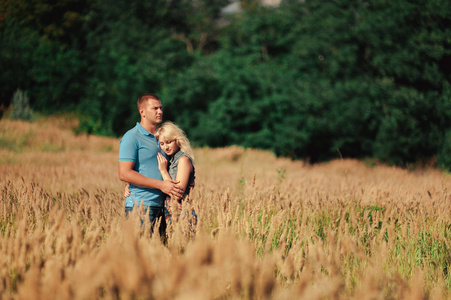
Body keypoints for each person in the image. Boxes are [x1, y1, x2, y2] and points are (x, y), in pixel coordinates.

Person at [118, 94, 184, 238]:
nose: (159, 111)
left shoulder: (162, 138)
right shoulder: (131, 137)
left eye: (160, 108)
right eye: (155, 108)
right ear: (142, 112)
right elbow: (124, 173)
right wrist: (161, 185)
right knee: (141, 256)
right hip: (141, 207)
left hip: (164, 206)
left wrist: (190, 176)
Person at [155, 121, 197, 232]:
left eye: (169, 142)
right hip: (170, 213)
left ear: (177, 140)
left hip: (182, 214)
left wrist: (163, 171)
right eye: (162, 144)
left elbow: (177, 194)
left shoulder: (183, 160)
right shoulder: (170, 160)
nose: (165, 147)